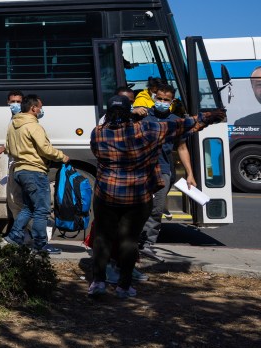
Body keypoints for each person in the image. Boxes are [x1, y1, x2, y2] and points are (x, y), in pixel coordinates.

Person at [88, 94, 225, 298]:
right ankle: (123, 287)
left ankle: (98, 283)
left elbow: (96, 153)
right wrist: (210, 116)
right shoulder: (148, 129)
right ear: (129, 111)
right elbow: (184, 124)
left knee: (103, 238)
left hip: (106, 195)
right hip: (138, 196)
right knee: (129, 240)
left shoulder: (98, 133)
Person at [2, 94, 68, 254]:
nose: (41, 109)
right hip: (34, 171)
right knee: (41, 209)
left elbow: (9, 148)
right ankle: (40, 245)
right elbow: (45, 149)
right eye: (40, 106)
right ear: (33, 108)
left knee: (28, 208)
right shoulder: (34, 126)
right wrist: (62, 156)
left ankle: (14, 236)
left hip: (19, 171)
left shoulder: (13, 125)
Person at [139, 84, 198, 261]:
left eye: (167, 100)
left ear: (172, 101)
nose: (162, 102)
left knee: (156, 210)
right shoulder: (142, 116)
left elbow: (181, 148)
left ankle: (147, 244)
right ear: (153, 97)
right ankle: (133, 243)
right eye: (159, 98)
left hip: (163, 171)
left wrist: (190, 174)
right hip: (140, 171)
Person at [0, 89, 25, 234]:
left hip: (20, 163)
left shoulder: (22, 119)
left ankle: (22, 233)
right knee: (14, 200)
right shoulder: (13, 118)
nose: (15, 104)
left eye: (18, 101)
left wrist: (4, 147)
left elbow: (21, 140)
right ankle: (19, 232)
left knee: (16, 200)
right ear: (8, 102)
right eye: (13, 101)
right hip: (14, 162)